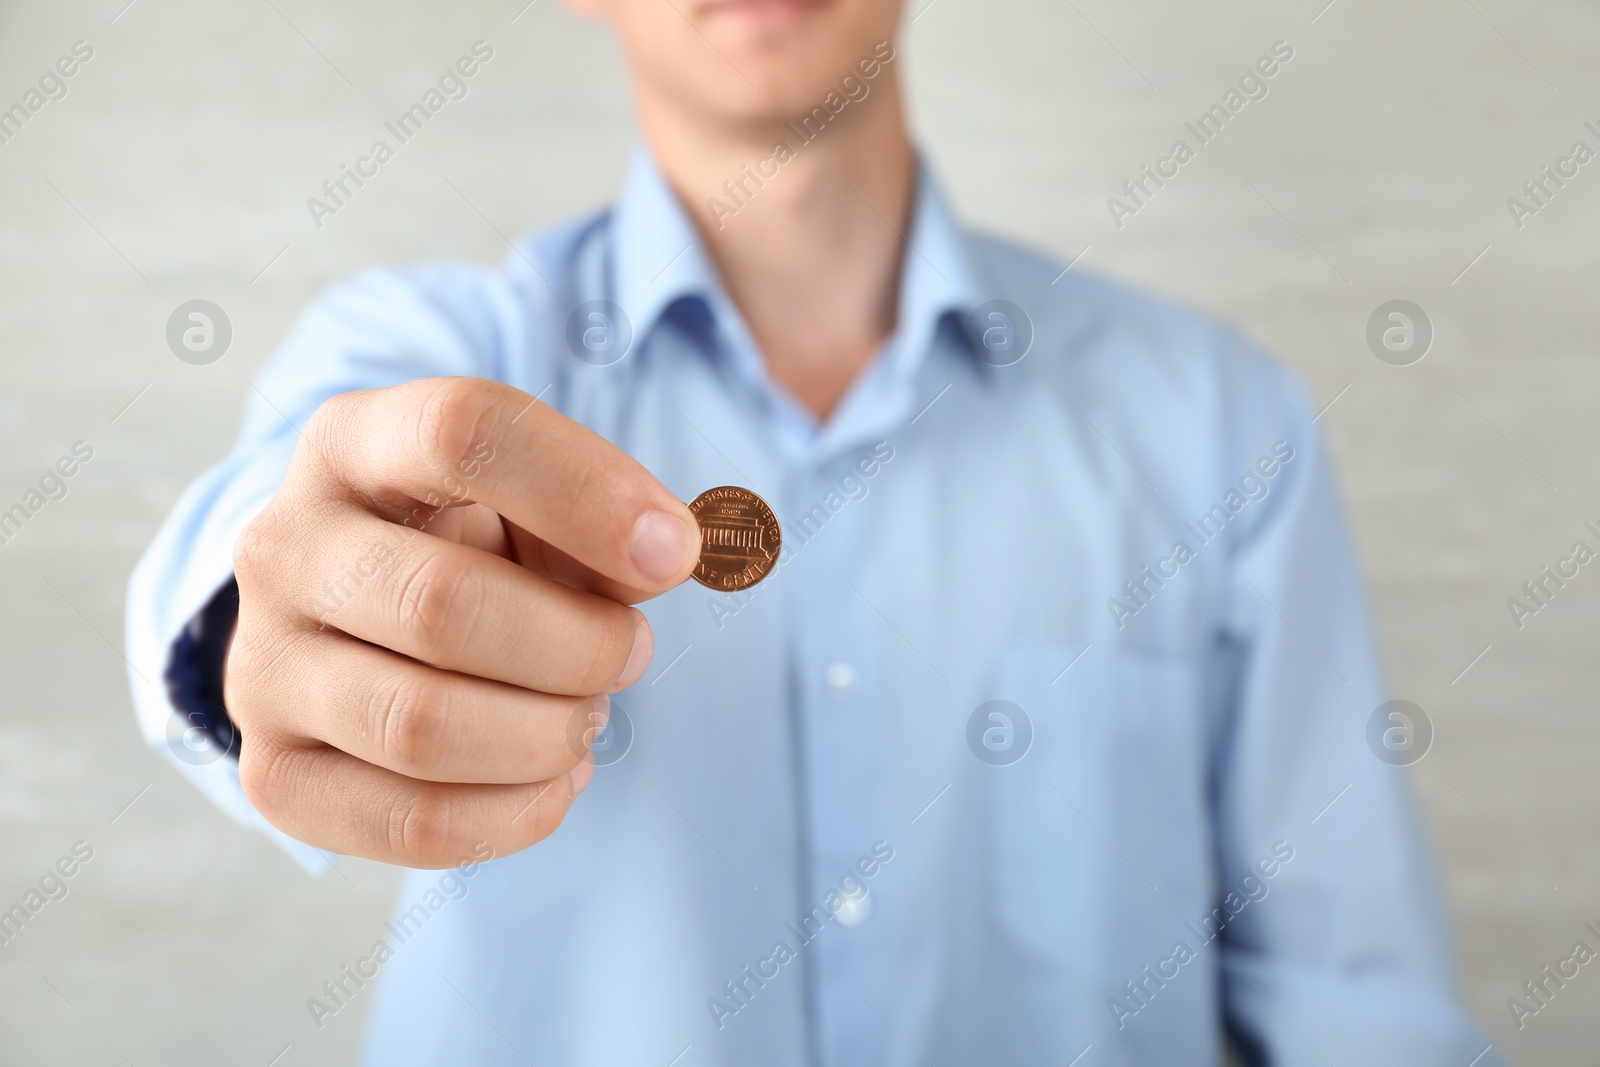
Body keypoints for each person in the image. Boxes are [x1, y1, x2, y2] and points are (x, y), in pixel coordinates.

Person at [127, 0, 1500, 1063]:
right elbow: (272, 531)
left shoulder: (1218, 425)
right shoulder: (432, 353)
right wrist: (274, 632)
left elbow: (1357, 1007)